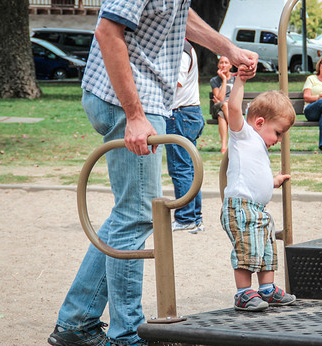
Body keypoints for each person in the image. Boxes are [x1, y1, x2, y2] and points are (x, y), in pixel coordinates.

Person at [47, 1, 258, 345]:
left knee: (127, 214)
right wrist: (134, 114)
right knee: (137, 216)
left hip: (145, 96)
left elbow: (179, 16)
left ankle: (77, 322)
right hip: (129, 98)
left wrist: (228, 48)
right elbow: (107, 30)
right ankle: (127, 333)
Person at [221, 66, 297, 312]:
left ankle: (267, 289)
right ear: (260, 122)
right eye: (278, 133)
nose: (279, 139)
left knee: (266, 248)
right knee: (247, 248)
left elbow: (253, 172)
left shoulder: (258, 145)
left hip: (257, 209)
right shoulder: (243, 135)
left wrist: (272, 181)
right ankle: (243, 293)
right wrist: (240, 81)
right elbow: (233, 108)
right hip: (240, 207)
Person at [167, 39, 204, 234]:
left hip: (180, 114)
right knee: (190, 169)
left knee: (181, 168)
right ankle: (195, 217)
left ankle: (186, 217)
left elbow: (176, 83)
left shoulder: (180, 50)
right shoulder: (186, 47)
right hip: (188, 113)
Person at [210, 56, 235, 153]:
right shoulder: (214, 80)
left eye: (226, 63)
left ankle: (224, 147)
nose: (223, 65)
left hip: (231, 107)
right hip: (218, 106)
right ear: (218, 65)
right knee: (224, 105)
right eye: (221, 63)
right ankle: (234, 129)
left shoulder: (236, 78)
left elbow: (238, 95)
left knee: (222, 115)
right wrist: (224, 80)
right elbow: (220, 98)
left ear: (231, 65)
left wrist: (229, 102)